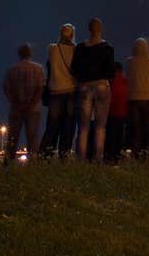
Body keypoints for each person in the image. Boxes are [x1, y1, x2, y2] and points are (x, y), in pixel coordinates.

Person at [72, 17, 115, 163]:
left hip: (84, 87)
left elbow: (74, 69)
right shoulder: (107, 48)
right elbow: (111, 72)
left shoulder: (80, 48)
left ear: (89, 29)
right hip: (102, 86)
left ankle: (81, 158)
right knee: (100, 127)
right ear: (101, 29)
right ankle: (98, 158)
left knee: (83, 127)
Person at [2, 44, 46, 160]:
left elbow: (6, 88)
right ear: (30, 53)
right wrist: (31, 104)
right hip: (33, 109)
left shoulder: (11, 70)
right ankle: (33, 164)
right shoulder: (38, 68)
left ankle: (8, 163)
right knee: (32, 138)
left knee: (12, 138)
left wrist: (15, 103)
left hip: (16, 109)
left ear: (19, 54)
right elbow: (40, 88)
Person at [41, 23, 77, 158]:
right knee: (68, 129)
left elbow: (49, 66)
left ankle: (44, 158)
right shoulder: (75, 50)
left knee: (51, 128)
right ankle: (64, 158)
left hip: (55, 92)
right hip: (71, 92)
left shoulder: (52, 48)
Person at [126, 37, 149, 158]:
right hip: (147, 98)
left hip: (133, 99)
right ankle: (146, 153)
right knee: (147, 128)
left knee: (135, 129)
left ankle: (135, 153)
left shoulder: (129, 62)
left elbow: (128, 79)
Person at [106, 63, 129, 162]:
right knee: (119, 136)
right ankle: (117, 157)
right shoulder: (125, 81)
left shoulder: (110, 82)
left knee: (111, 136)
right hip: (122, 113)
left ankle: (109, 156)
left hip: (111, 113)